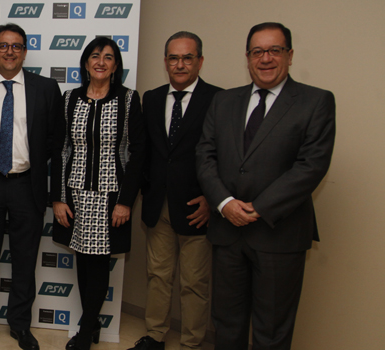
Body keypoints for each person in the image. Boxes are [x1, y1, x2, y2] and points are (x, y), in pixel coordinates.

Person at [196, 22, 335, 350]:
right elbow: (205, 155)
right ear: (247, 58)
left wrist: (258, 208)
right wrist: (225, 203)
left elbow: (310, 166)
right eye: (258, 51)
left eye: (275, 50)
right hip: (227, 233)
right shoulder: (224, 102)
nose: (266, 58)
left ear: (289, 55)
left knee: (272, 329)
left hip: (279, 235)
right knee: (226, 323)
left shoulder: (315, 102)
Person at [0, 23, 62, 350]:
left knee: (24, 261)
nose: (9, 51)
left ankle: (20, 325)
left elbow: (54, 140)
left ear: (24, 51)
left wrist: (28, 164)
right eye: (3, 46)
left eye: (16, 46)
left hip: (25, 186)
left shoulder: (46, 89)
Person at [51, 37, 145, 350]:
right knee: (82, 259)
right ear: (86, 63)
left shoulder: (129, 100)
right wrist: (59, 197)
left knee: (99, 263)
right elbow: (61, 150)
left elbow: (137, 153)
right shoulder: (70, 98)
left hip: (110, 197)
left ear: (115, 65)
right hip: (75, 193)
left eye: (108, 57)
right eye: (94, 56)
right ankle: (90, 327)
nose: (100, 61)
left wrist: (125, 202)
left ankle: (86, 331)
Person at [130, 32, 222, 350]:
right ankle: (155, 335)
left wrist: (214, 199)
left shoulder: (218, 99)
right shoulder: (152, 98)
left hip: (198, 208)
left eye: (187, 57)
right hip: (158, 205)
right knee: (158, 276)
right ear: (166, 61)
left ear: (200, 61)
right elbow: (145, 151)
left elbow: (225, 155)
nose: (180, 64)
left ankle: (191, 342)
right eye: (173, 57)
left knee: (194, 283)